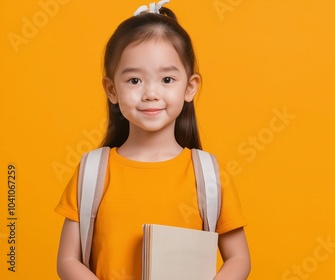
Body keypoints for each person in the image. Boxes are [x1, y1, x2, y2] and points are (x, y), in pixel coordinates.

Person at [55, 2, 251, 279]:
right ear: (112, 89)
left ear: (190, 87)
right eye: (134, 80)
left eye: (167, 79)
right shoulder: (92, 171)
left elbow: (239, 258)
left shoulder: (208, 175)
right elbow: (67, 260)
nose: (150, 93)